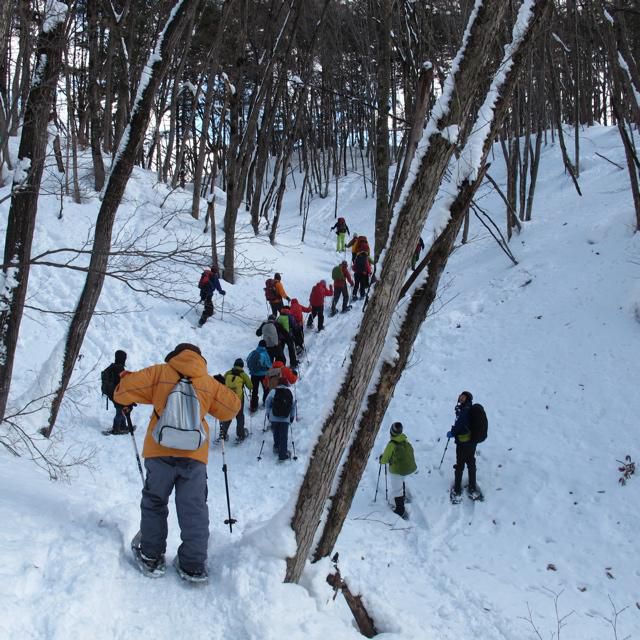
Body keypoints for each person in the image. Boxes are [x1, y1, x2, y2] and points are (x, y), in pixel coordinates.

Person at [113, 343, 240, 582]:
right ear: (200, 359)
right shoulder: (207, 382)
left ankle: (151, 556)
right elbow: (231, 408)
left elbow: (122, 392)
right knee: (193, 508)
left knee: (154, 502)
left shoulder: (159, 373)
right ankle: (192, 564)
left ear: (175, 356)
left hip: (159, 451)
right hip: (194, 455)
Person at [379, 422, 417, 518]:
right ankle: (403, 497)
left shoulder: (391, 444)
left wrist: (381, 459)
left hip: (396, 471)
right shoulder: (404, 439)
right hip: (407, 469)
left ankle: (400, 510)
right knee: (401, 482)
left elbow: (384, 460)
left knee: (397, 490)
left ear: (391, 432)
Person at [447, 391, 479, 500]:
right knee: (471, 462)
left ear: (467, 399)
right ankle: (472, 488)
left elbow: (460, 424)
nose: (460, 397)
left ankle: (457, 490)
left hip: (463, 442)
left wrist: (453, 432)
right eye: (460, 396)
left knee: (460, 465)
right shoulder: (468, 408)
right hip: (472, 441)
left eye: (463, 397)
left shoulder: (465, 410)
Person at [219, 359, 253, 442]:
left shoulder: (228, 373)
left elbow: (222, 383)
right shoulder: (243, 375)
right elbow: (250, 386)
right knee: (239, 416)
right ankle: (240, 434)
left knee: (228, 415)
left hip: (227, 398)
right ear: (241, 366)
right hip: (238, 399)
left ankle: (223, 433)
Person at [265, 380, 297, 462]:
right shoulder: (289, 392)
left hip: (273, 417)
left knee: (276, 432)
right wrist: (292, 417)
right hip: (285, 418)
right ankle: (283, 455)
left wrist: (268, 413)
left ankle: (276, 447)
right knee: (283, 436)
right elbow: (293, 406)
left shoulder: (273, 391)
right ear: (286, 384)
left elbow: (267, 402)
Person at [246, 340, 273, 413]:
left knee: (255, 390)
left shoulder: (253, 352)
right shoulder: (265, 353)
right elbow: (269, 364)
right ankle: (265, 402)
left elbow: (247, 360)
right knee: (266, 388)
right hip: (263, 375)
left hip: (253, 374)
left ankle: (254, 406)